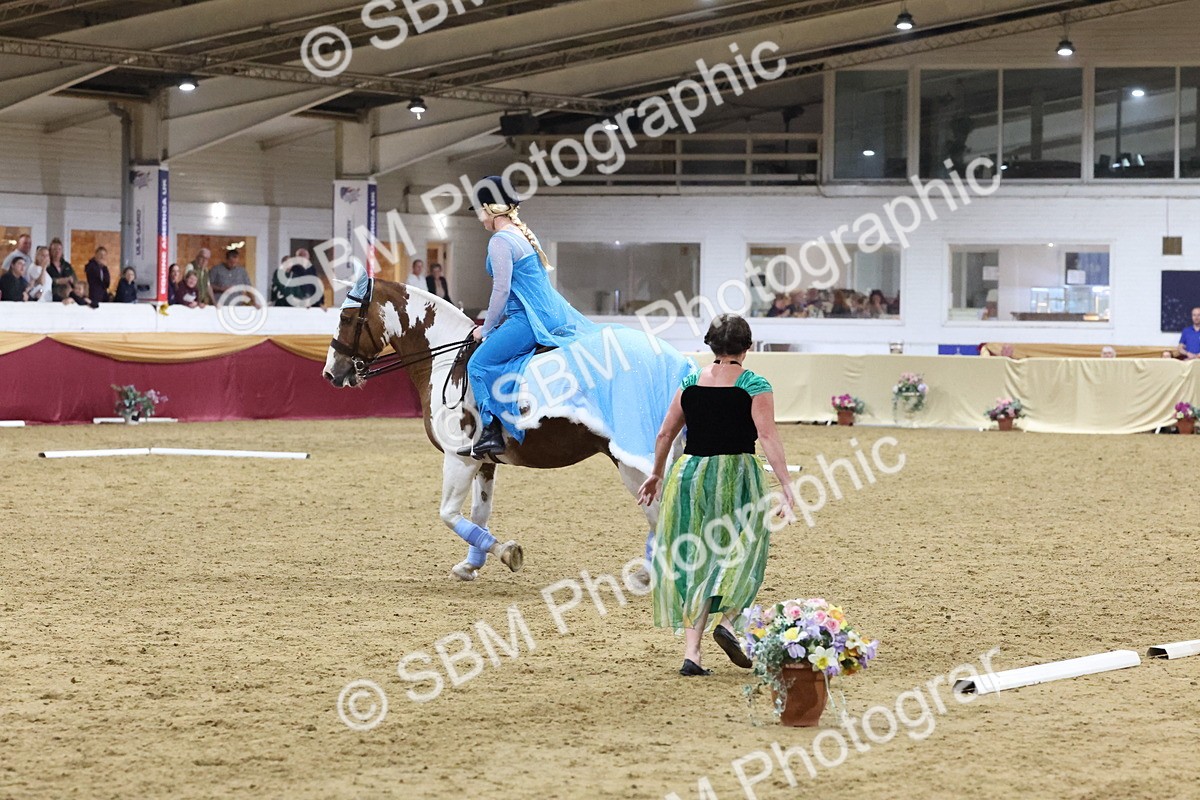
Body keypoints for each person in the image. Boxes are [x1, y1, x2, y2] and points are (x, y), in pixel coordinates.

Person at [637, 314, 797, 677]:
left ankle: (692, 654)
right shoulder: (754, 385)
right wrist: (786, 483)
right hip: (737, 475)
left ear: (712, 345)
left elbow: (665, 434)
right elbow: (768, 436)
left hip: (691, 477)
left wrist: (656, 473)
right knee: (745, 552)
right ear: (747, 347)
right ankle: (729, 619)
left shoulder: (691, 382)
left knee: (697, 558)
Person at [463, 176, 598, 458]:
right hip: (551, 311)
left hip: (527, 318)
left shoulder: (500, 241)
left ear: (489, 208)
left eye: (478, 211)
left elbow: (501, 290)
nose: (479, 218)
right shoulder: (520, 233)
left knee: (477, 363)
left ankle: (490, 433)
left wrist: (485, 329)